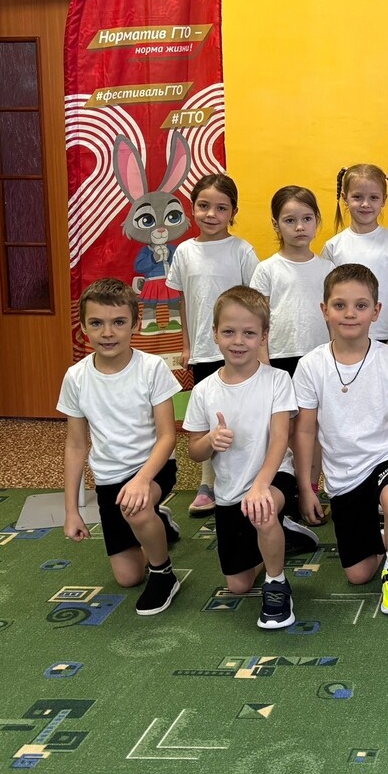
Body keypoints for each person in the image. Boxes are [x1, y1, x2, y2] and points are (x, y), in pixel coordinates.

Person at [293, 264, 388, 615]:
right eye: (340, 305)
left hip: (387, 458)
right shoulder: (310, 365)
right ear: (324, 310)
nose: (350, 313)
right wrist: (307, 486)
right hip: (344, 474)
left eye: (361, 305)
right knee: (358, 574)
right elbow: (305, 430)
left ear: (376, 311)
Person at [182, 286, 322, 629]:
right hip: (230, 492)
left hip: (274, 477)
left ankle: (277, 584)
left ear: (263, 336)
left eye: (249, 333)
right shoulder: (203, 391)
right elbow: (193, 451)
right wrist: (210, 441)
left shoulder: (277, 380)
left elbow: (280, 439)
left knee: (263, 510)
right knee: (238, 585)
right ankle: (283, 534)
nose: (238, 341)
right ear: (215, 334)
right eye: (229, 331)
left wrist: (261, 485)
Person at [58, 278, 184, 615]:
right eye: (96, 323)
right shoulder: (76, 377)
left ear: (135, 325)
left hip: (153, 468)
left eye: (118, 322)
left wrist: (142, 480)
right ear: (83, 328)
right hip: (109, 480)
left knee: (137, 509)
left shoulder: (152, 368)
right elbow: (75, 445)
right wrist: (71, 510)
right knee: (128, 578)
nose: (108, 332)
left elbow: (168, 436)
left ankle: (164, 574)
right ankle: (157, 522)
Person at [166, 172, 260, 518]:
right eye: (204, 206)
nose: (211, 214)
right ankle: (208, 483)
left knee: (240, 412)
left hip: (238, 349)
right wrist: (187, 344)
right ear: (192, 208)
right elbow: (184, 302)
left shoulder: (242, 251)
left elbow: (257, 303)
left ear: (233, 212)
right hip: (204, 350)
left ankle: (247, 476)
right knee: (209, 416)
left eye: (221, 208)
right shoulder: (184, 252)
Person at [322, 164, 388, 349]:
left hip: (385, 335)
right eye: (357, 197)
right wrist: (333, 338)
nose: (365, 204)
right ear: (345, 198)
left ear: (384, 200)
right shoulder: (334, 246)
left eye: (373, 197)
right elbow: (328, 296)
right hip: (345, 335)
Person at [250, 186, 330, 376]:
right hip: (280, 355)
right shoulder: (266, 269)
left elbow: (334, 317)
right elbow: (256, 319)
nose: (299, 227)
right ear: (275, 224)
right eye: (290, 220)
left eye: (307, 219)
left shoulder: (328, 269)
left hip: (321, 353)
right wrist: (262, 359)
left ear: (317, 221)